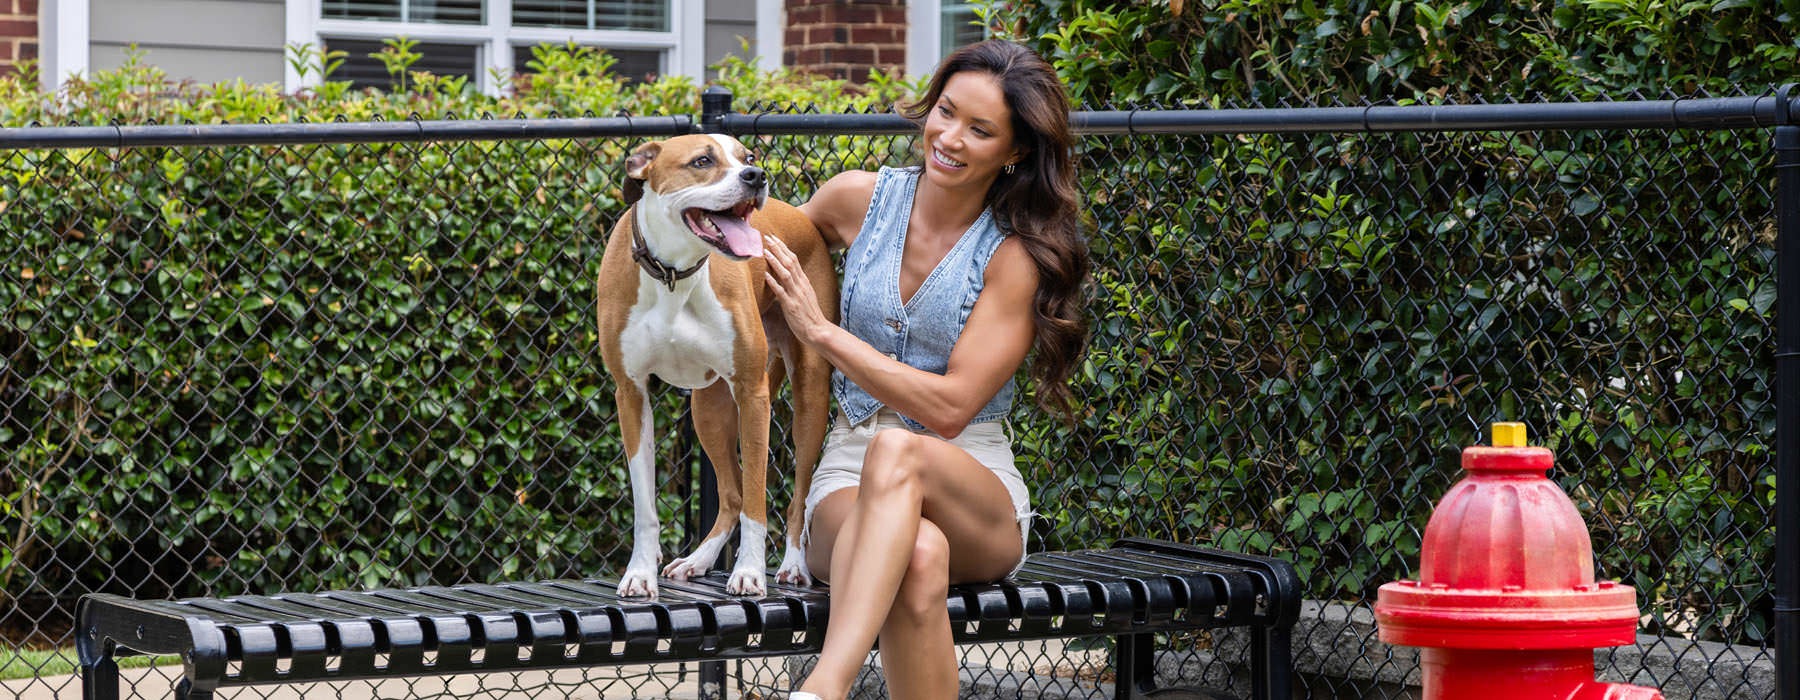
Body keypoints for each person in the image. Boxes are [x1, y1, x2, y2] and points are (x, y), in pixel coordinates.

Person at [758, 39, 1090, 700]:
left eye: (981, 129)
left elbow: (949, 407)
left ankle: (825, 687)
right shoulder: (855, 201)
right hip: (847, 482)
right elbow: (760, 252)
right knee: (916, 557)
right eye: (945, 111)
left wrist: (822, 333)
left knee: (901, 451)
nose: (950, 137)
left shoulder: (1015, 257)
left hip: (971, 484)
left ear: (1015, 151)